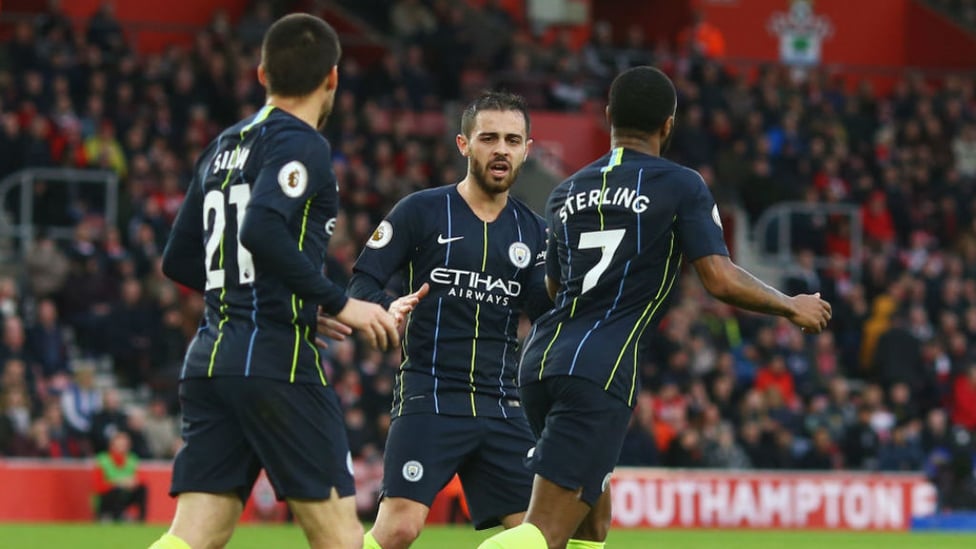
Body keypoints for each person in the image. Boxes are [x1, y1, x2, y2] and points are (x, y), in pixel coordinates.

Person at [479, 66, 831, 549]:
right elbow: (719, 278)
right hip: (599, 371)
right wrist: (790, 305)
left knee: (591, 527)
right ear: (669, 123)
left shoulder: (567, 190)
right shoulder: (680, 184)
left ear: (608, 118)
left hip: (541, 362)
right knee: (541, 534)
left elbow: (556, 287)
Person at [149, 14, 419, 549]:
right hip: (275, 359)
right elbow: (260, 228)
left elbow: (179, 260)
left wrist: (275, 293)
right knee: (340, 537)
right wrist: (341, 304)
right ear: (333, 78)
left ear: (261, 73)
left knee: (197, 533)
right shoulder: (304, 144)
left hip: (210, 360)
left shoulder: (223, 144)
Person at [350, 91, 551, 549]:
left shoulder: (536, 231)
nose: (501, 148)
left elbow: (545, 312)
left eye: (512, 140)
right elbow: (361, 284)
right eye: (489, 138)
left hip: (503, 403)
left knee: (538, 536)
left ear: (526, 150)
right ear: (464, 145)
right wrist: (385, 306)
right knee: (399, 529)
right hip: (431, 393)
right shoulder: (419, 211)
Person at [94, 430, 148, 522]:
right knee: (117, 490)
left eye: (124, 445)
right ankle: (113, 516)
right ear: (112, 445)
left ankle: (141, 520)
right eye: (119, 445)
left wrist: (132, 482)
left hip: (125, 494)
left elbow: (140, 479)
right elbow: (98, 486)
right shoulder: (102, 460)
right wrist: (119, 483)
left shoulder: (132, 459)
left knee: (142, 489)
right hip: (107, 497)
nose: (122, 448)